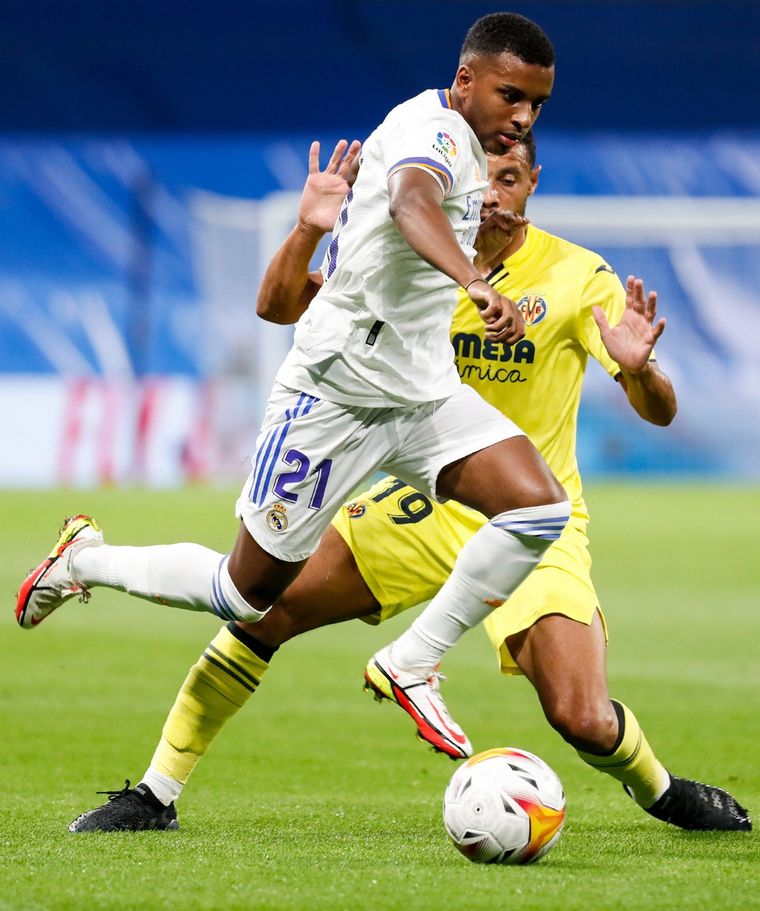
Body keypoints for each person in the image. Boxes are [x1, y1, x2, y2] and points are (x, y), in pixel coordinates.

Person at [25, 134, 750, 834]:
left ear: (532, 184)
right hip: (421, 503)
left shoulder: (575, 276)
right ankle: (156, 792)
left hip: (531, 514)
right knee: (259, 611)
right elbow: (279, 305)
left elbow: (659, 412)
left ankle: (662, 791)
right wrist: (308, 230)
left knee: (581, 716)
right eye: (482, 178)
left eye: (509, 179)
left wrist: (640, 371)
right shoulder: (409, 255)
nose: (493, 195)